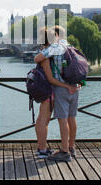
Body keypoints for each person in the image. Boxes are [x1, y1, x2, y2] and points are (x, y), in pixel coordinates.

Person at [34, 26, 80, 161]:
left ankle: (61, 151)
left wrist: (65, 86)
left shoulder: (50, 51)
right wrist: (78, 85)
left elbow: (38, 61)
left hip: (58, 90)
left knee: (59, 119)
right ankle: (71, 147)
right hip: (74, 87)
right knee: (72, 118)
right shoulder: (68, 46)